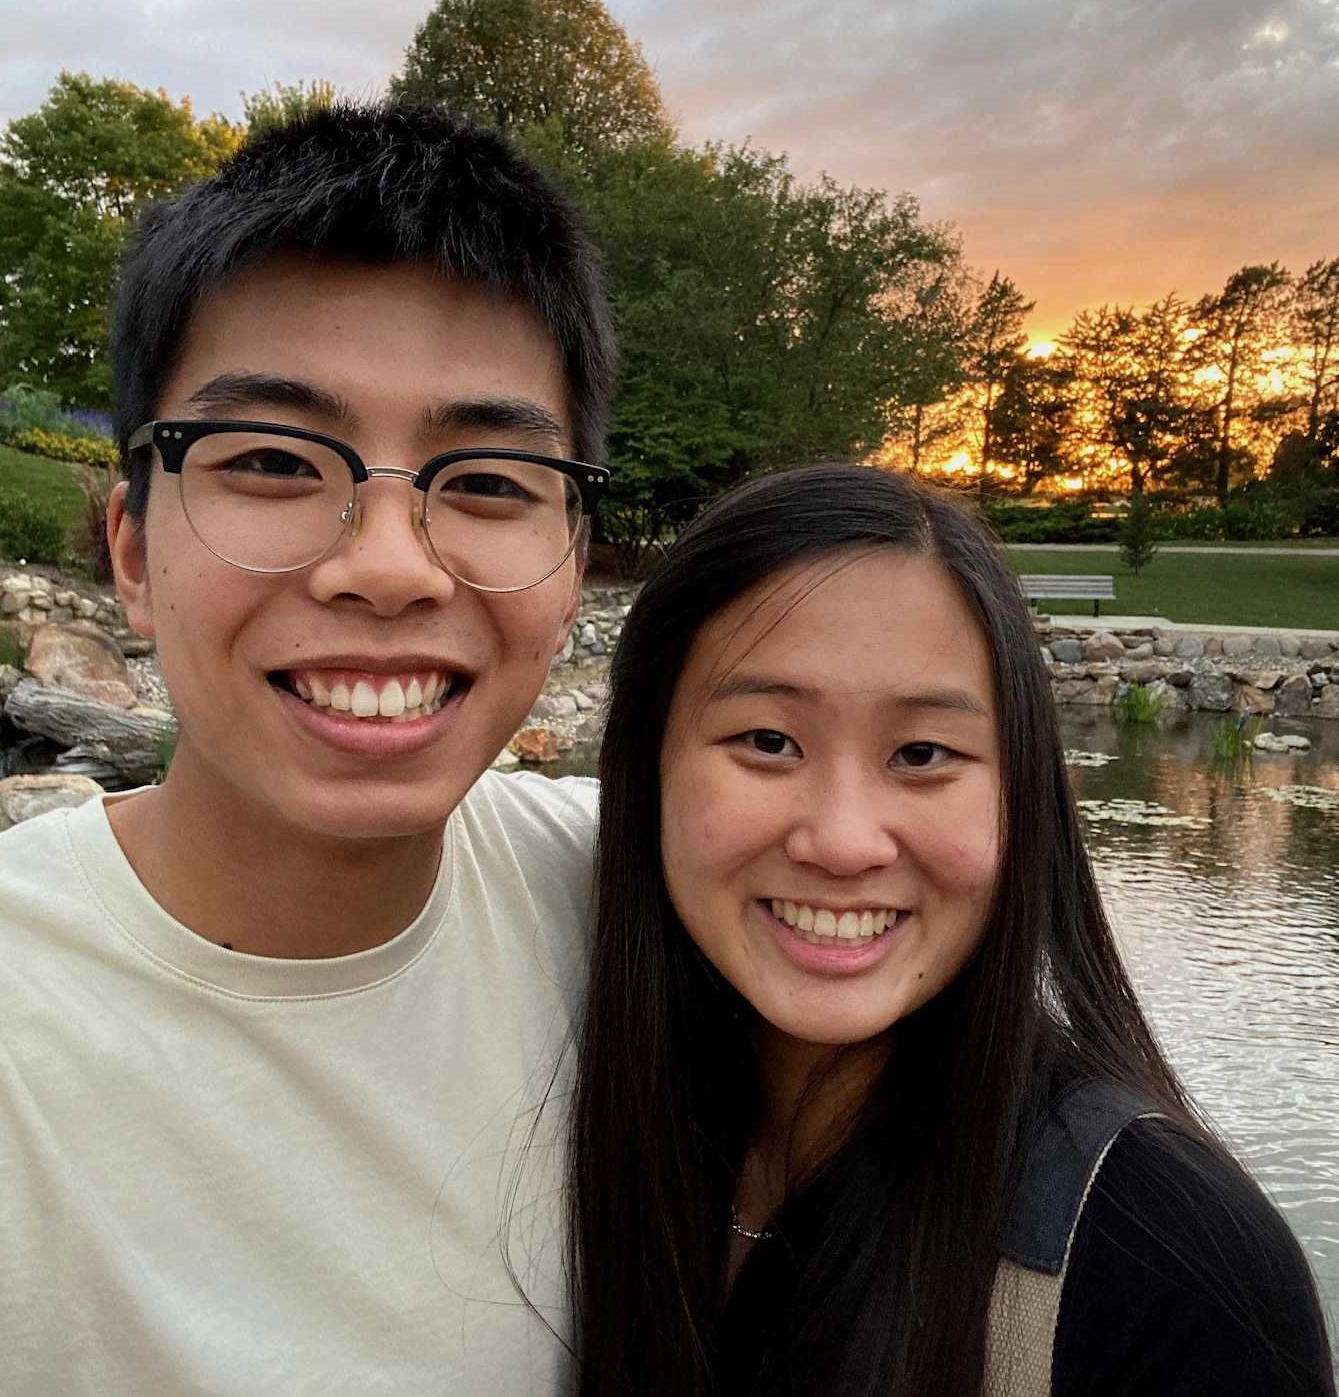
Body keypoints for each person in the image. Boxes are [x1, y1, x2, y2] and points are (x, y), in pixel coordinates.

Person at [0, 102, 614, 1394]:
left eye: (485, 481)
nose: (387, 567)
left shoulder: (627, 891)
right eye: (274, 461)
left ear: (570, 565)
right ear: (133, 554)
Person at [569, 464, 1334, 1397]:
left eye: (922, 753)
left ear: (1020, 794)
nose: (843, 841)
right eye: (767, 741)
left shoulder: (1170, 1268)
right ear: (643, 768)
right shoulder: (607, 1126)